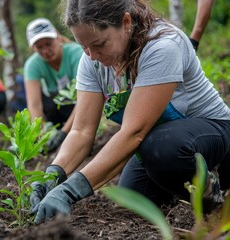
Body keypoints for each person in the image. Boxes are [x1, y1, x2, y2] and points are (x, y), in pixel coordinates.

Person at [30, 0, 230, 224]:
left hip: (214, 132)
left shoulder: (162, 45)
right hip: (158, 140)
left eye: (99, 44)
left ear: (126, 22)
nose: (91, 55)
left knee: (162, 148)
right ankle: (184, 181)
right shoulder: (92, 61)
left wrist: (69, 191)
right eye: (83, 46)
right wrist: (52, 176)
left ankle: (216, 196)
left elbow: (134, 132)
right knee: (134, 197)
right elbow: (82, 131)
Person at [24, 18, 83, 153]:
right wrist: (43, 136)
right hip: (56, 111)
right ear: (34, 48)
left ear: (58, 38)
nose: (45, 51)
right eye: (39, 47)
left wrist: (63, 133)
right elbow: (34, 105)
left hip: (80, 108)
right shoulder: (33, 65)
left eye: (48, 44)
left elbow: (84, 100)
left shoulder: (76, 54)